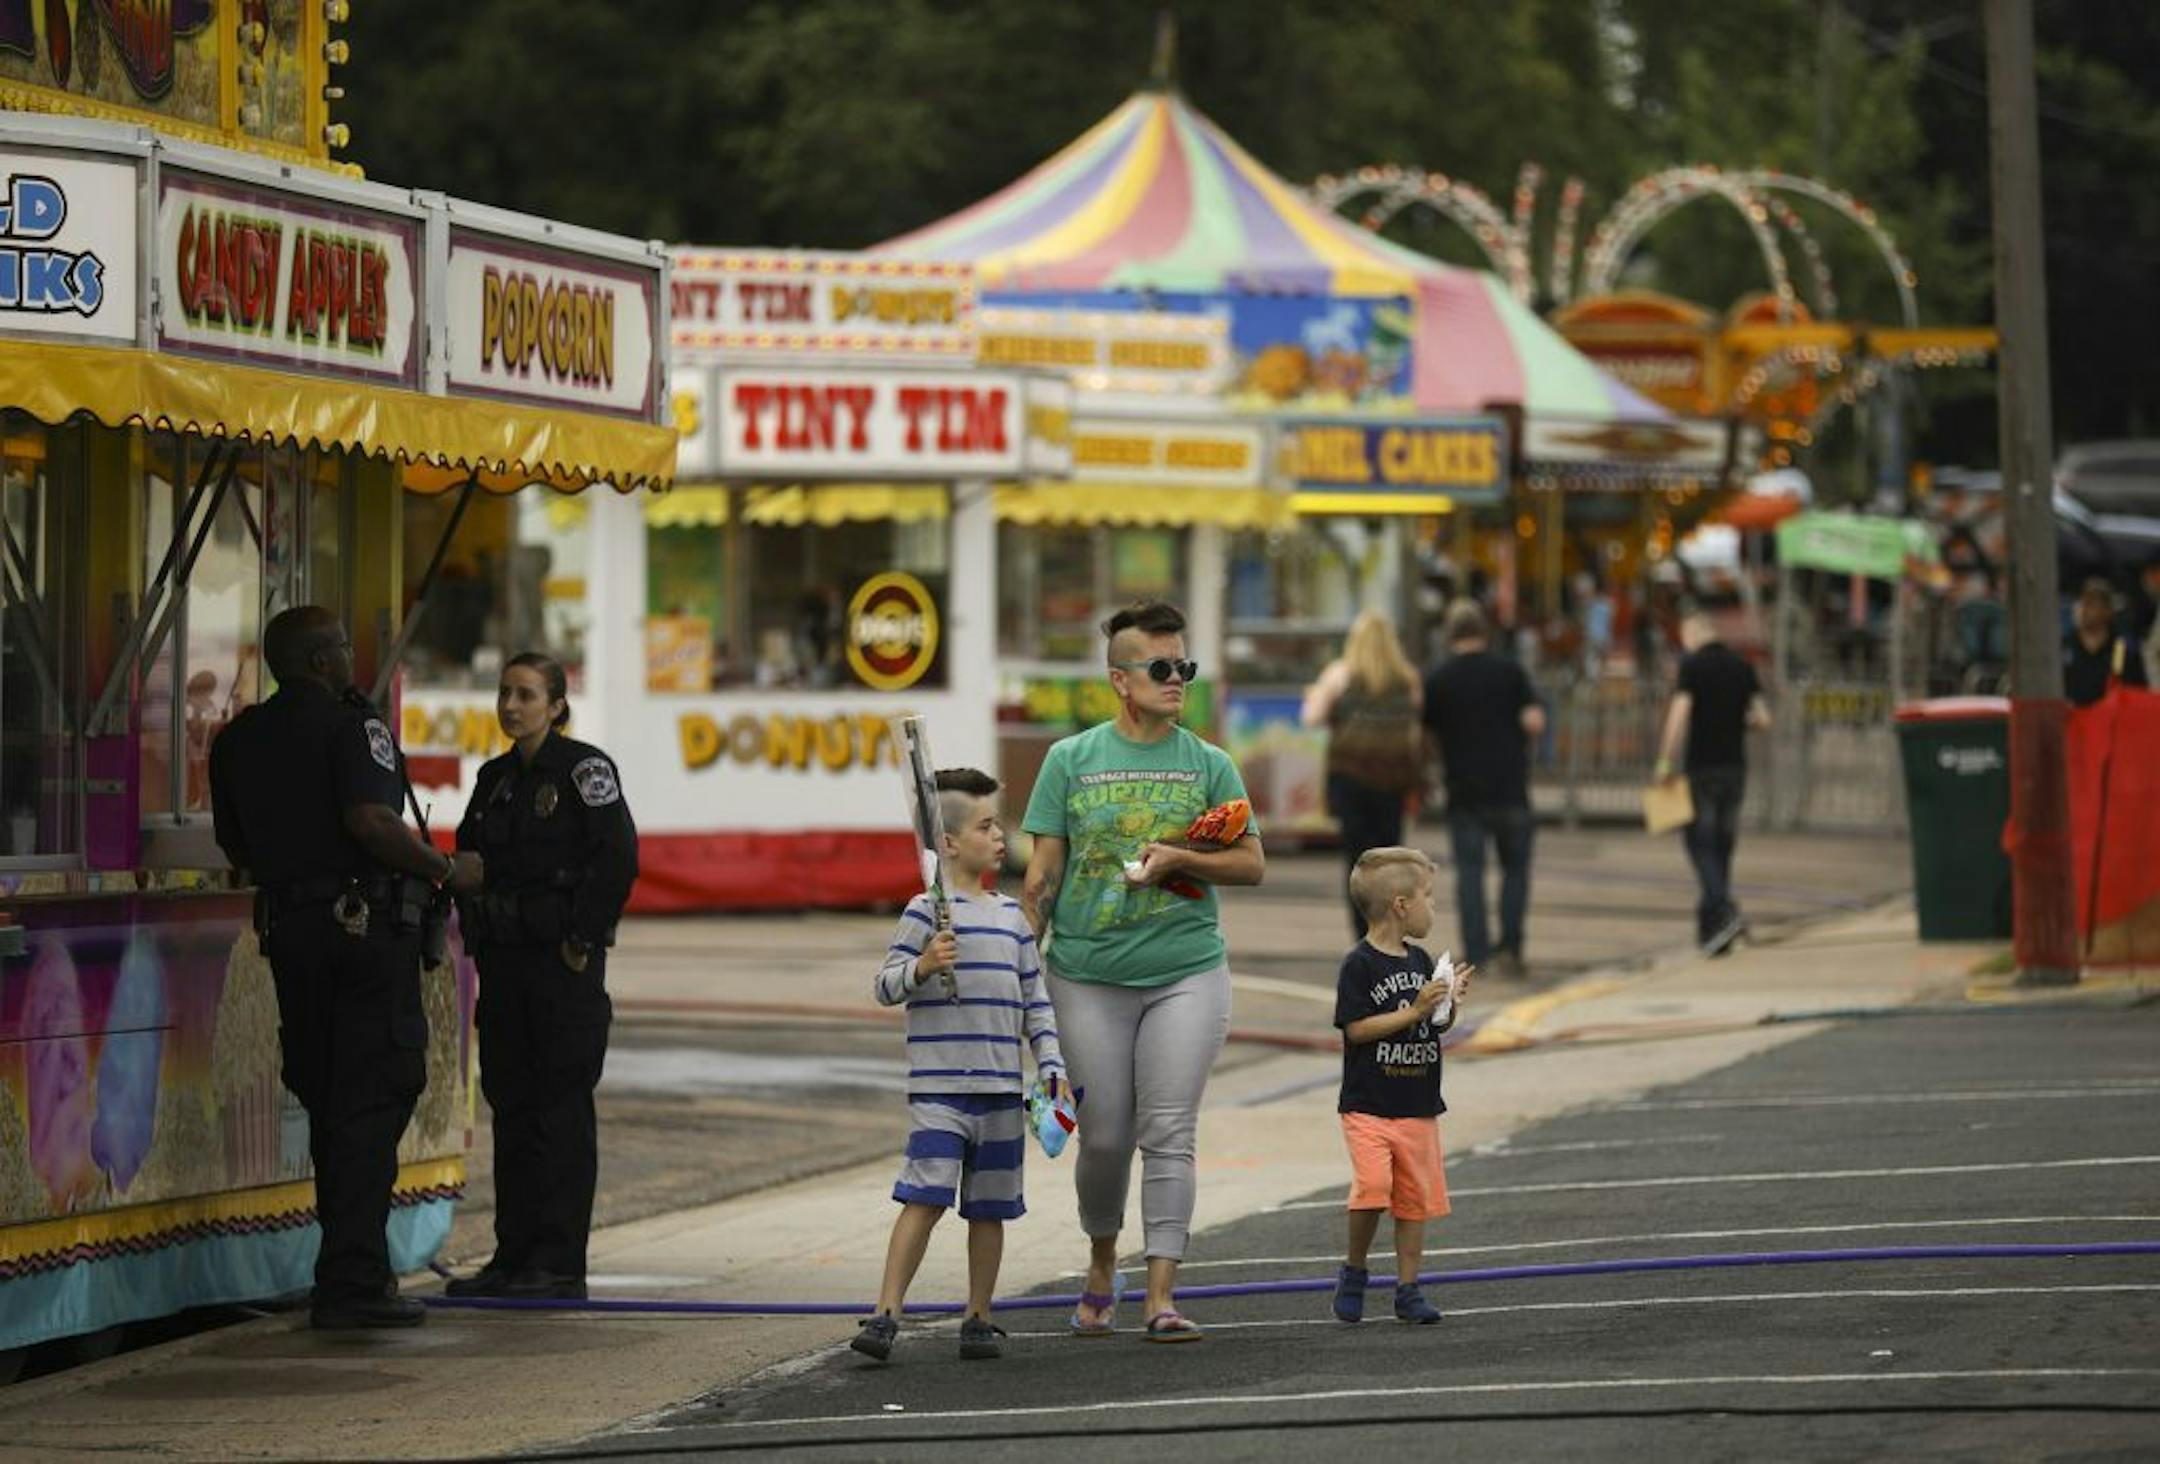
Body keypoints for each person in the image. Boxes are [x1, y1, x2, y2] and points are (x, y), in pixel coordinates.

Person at [209, 606, 482, 1330]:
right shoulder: (352, 727)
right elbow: (372, 821)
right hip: (361, 936)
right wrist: (446, 869)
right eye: (342, 649)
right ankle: (354, 1282)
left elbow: (233, 843)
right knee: (375, 1093)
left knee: (331, 1098)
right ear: (324, 660)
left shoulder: (237, 740)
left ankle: (346, 1270)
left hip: (291, 935)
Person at [1022, 600, 1264, 1343]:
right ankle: (1103, 1262)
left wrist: (1182, 858)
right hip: (1085, 973)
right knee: (1103, 1136)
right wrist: (1008, 958)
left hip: (1185, 971)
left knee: (1168, 1130)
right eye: (1161, 668)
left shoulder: (1208, 762)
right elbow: (1040, 882)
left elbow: (1252, 862)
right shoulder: (1070, 760)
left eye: (1184, 667)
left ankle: (1163, 1294)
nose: (1176, 680)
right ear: (1119, 680)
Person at [851, 768, 1066, 1364]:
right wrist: (922, 966)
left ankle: (979, 1315)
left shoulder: (1013, 922)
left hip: (1001, 1090)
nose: (1001, 836)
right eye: (987, 826)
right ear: (948, 843)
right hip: (940, 1090)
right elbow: (884, 987)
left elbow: (1037, 1004)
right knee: (923, 1196)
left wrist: (1051, 1067)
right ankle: (887, 1311)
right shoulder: (925, 912)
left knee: (989, 1209)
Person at [442, 652, 638, 1301]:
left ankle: (557, 1261)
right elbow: (474, 858)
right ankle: (514, 1254)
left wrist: (582, 939)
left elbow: (617, 860)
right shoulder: (496, 777)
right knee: (512, 1106)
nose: (511, 706)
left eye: (526, 695)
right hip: (506, 965)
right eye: (505, 693)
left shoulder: (584, 770)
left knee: (559, 1111)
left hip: (561, 966)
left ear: (556, 705)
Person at [1328, 848, 1473, 1326]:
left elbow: (1433, 1027)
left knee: (1414, 1201)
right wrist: (1413, 1009)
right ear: (1400, 905)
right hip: (1369, 1104)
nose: (1434, 908)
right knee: (1373, 1187)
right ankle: (1355, 1270)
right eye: (1428, 897)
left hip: (1416, 1103)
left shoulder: (1421, 959)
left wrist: (1447, 1004)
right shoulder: (1360, 964)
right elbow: (1355, 1029)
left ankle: (1408, 1288)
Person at [1421, 599, 1543, 978]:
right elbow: (1534, 721)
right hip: (1510, 787)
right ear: (1484, 631)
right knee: (1515, 871)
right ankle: (1511, 948)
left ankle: (1477, 954)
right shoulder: (1510, 671)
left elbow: (1425, 733)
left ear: (1449, 633)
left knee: (1470, 873)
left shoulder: (1438, 677)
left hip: (1464, 790)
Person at [1654, 609, 1773, 956]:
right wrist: (1737, 723)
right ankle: (1713, 935)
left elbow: (1679, 716)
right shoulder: (1742, 667)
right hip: (1734, 768)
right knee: (1723, 847)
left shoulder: (1691, 667)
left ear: (1691, 636)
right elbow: (1764, 719)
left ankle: (1723, 909)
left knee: (1699, 844)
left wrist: (1664, 761)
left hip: (1701, 768)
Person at [1301, 610, 1424, 938]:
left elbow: (1311, 718)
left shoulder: (1341, 675)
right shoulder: (1407, 678)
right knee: (1390, 862)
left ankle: (1363, 935)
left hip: (1350, 778)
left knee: (1358, 862)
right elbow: (1414, 728)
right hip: (1393, 779)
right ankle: (1389, 932)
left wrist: (1315, 696)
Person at [2063, 577, 2149, 707]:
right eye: (2084, 602)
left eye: (2093, 604)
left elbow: (2138, 692)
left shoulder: (2121, 650)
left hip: (2110, 720)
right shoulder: (2064, 647)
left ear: (2108, 611)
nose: (2086, 610)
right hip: (2073, 720)